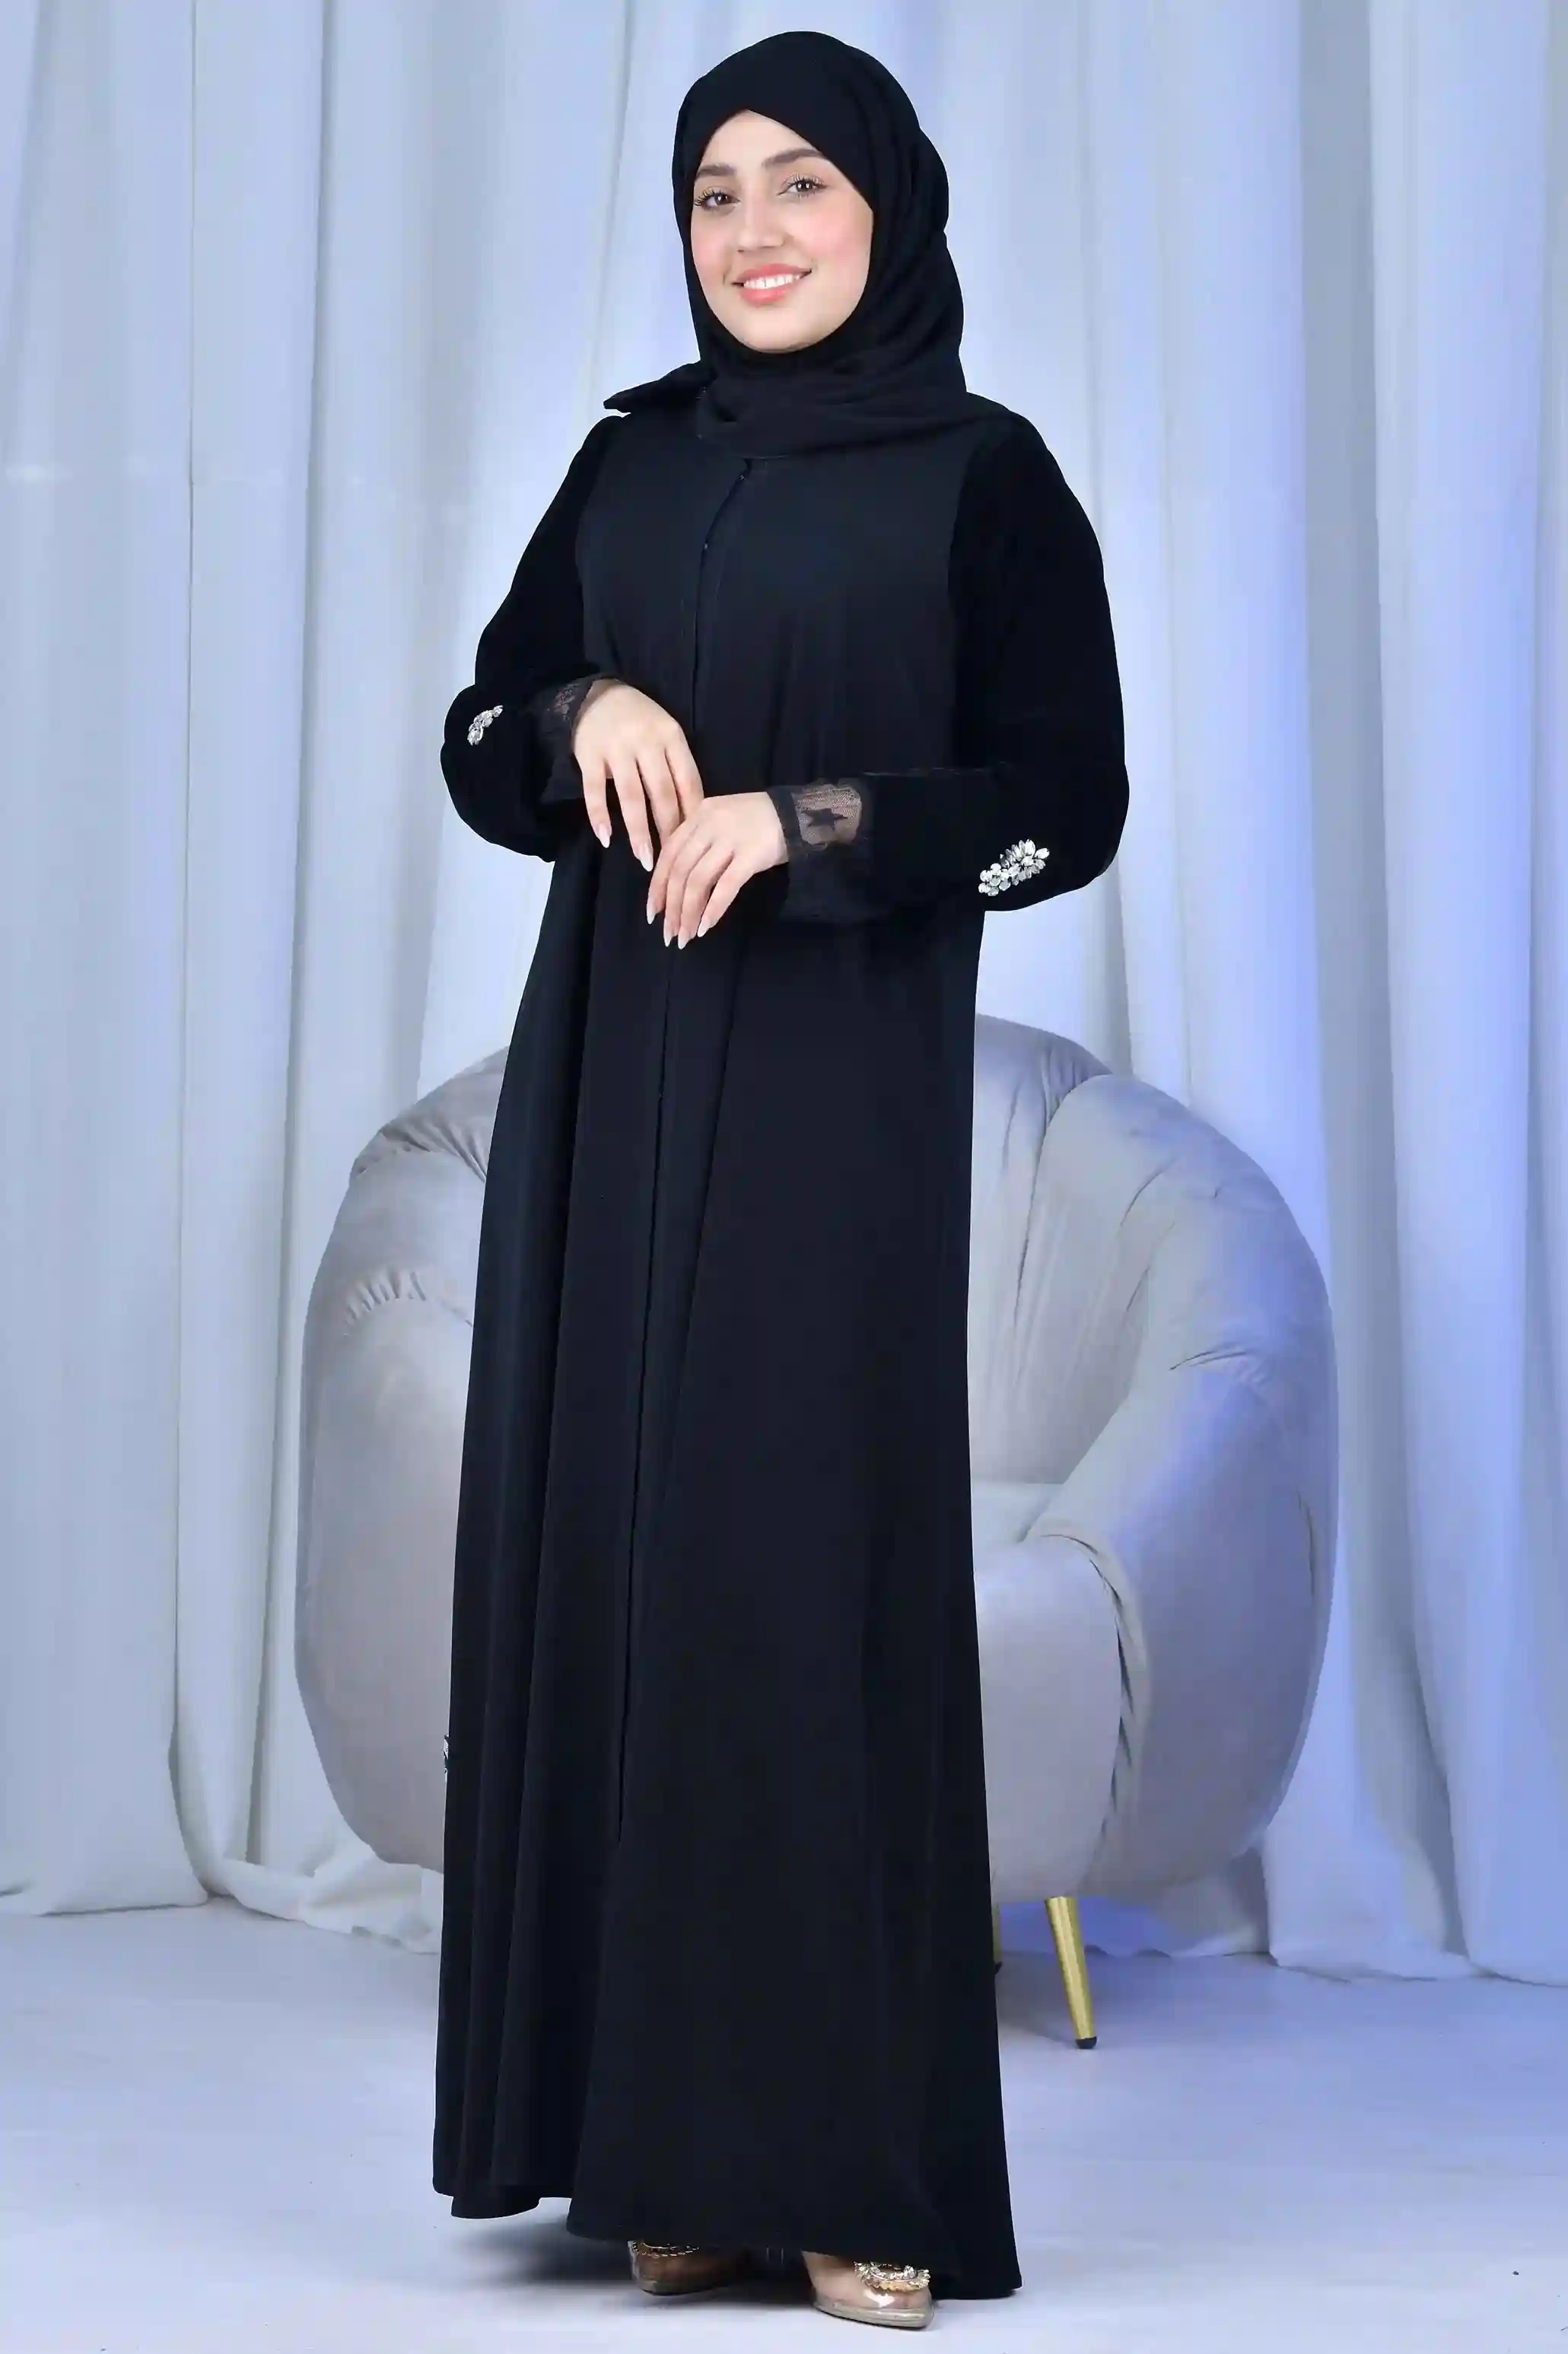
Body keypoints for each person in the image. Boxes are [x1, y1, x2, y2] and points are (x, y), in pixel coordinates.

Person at [433, 27, 1127, 2330]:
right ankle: (660, 2157)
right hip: (614, 1100)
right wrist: (584, 715)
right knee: (624, 1572)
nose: (752, 230)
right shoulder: (631, 461)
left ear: (888, 208)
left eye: (800, 182)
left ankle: (843, 2166)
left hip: (834, 1097)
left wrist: (809, 821)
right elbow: (486, 733)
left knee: (798, 1583)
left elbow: (1063, 799)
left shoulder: (981, 478)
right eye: (714, 190)